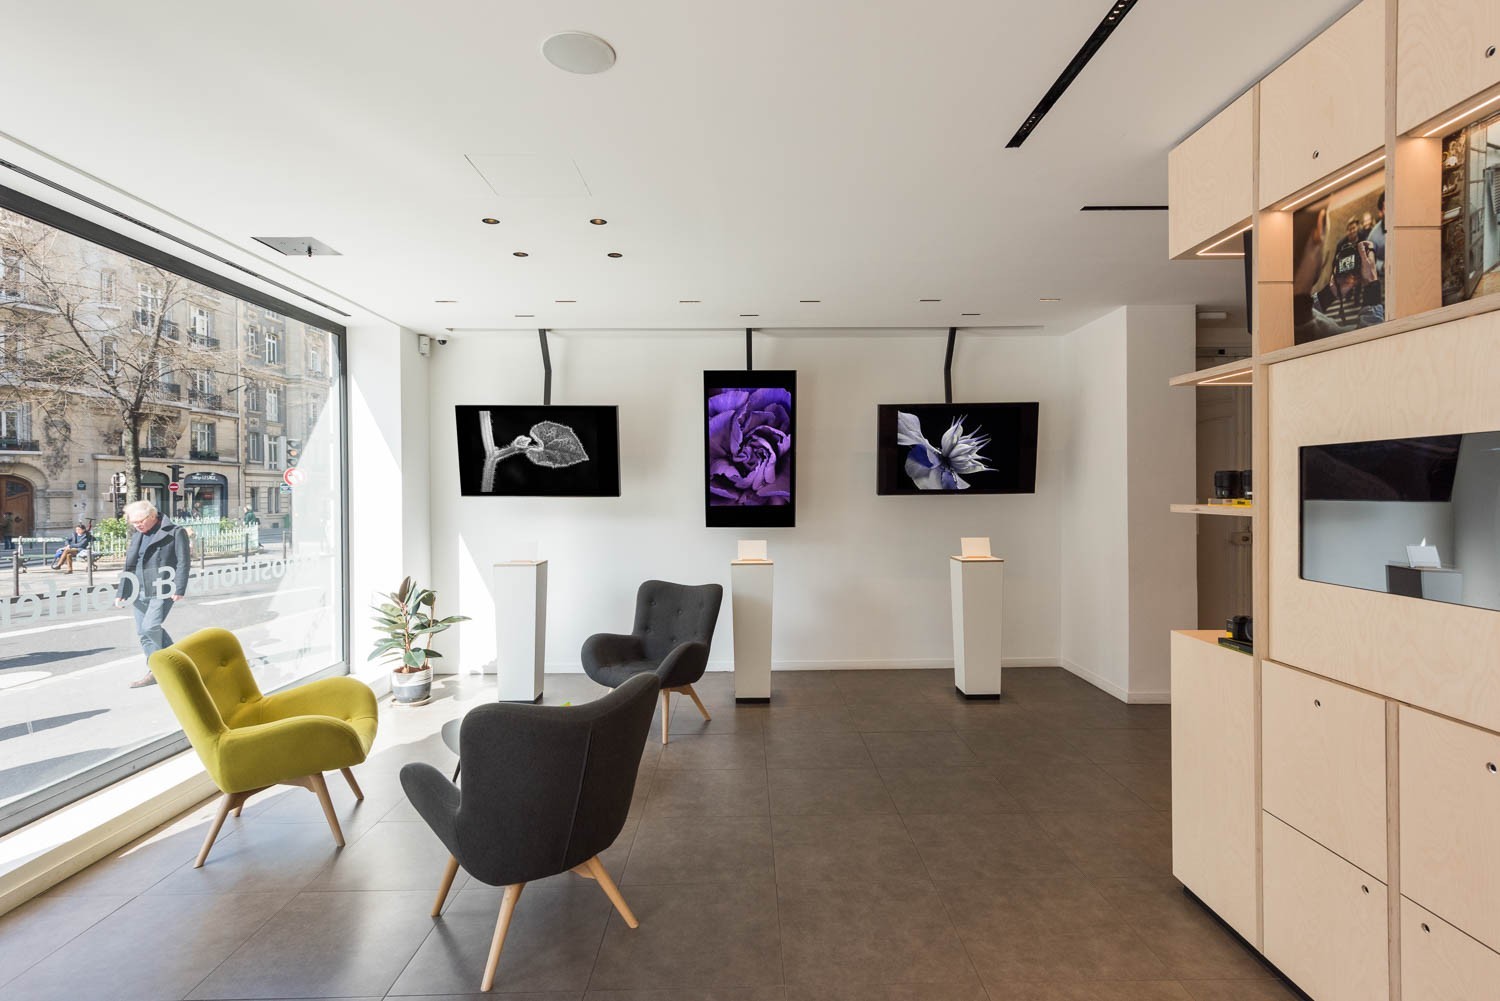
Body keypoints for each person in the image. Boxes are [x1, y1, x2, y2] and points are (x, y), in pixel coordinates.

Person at [114, 500, 191, 688]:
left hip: (162, 587)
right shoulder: (138, 535)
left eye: (140, 521)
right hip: (138, 589)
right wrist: (122, 591)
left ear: (152, 516)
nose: (137, 525)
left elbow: (183, 562)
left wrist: (179, 587)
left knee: (150, 627)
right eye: (133, 522)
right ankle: (160, 668)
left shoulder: (175, 532)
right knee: (143, 632)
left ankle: (171, 662)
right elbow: (130, 564)